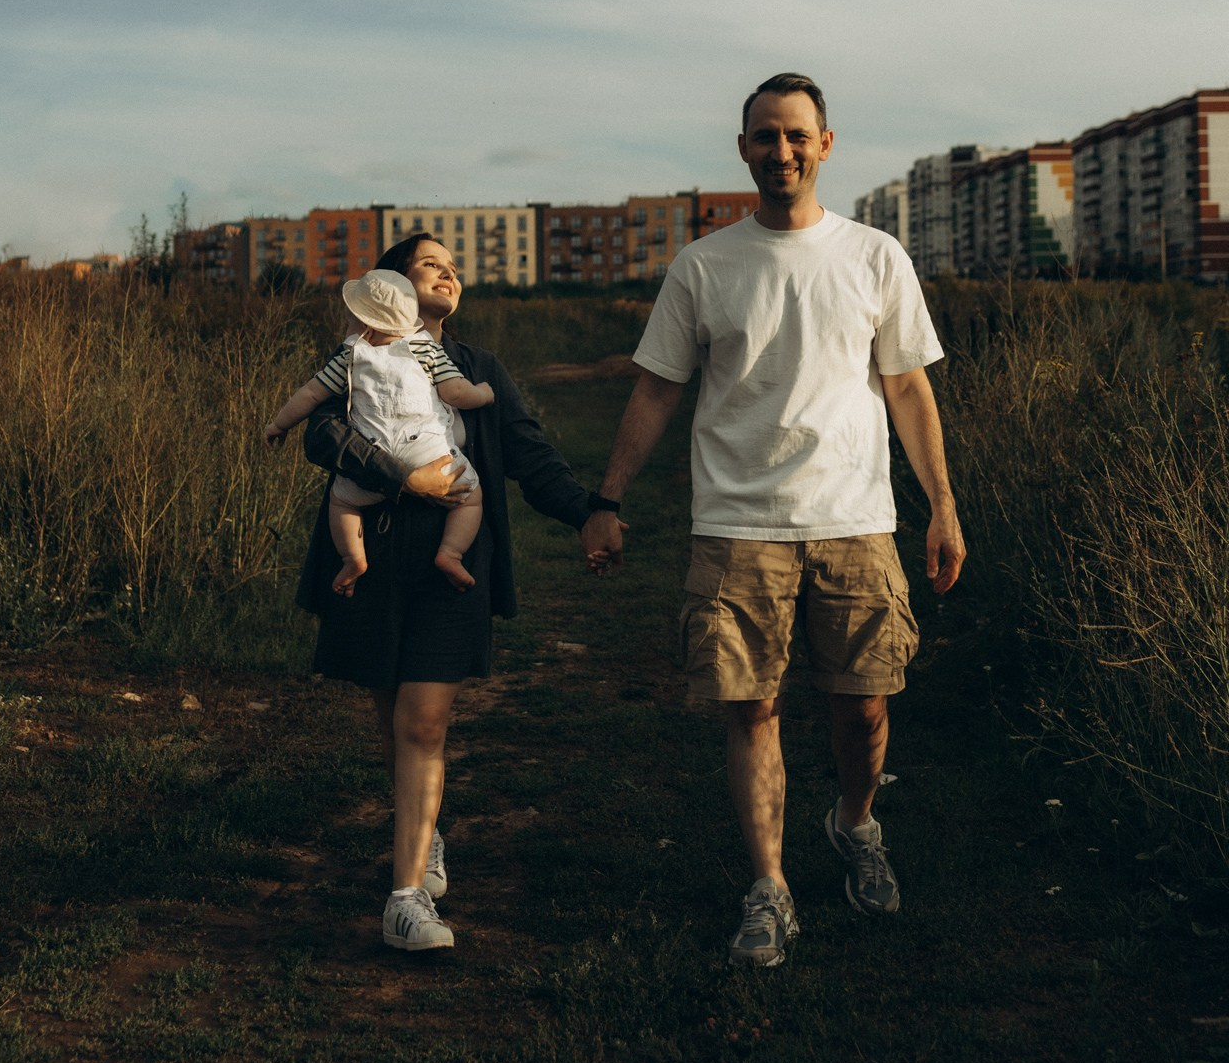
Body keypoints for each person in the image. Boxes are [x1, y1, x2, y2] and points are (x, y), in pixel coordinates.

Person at [581, 72, 966, 967]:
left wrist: (941, 506)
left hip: (857, 522)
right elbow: (657, 388)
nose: (780, 151)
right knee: (749, 710)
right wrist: (607, 500)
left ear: (825, 145)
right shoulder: (705, 265)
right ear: (744, 148)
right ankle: (771, 890)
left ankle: (854, 823)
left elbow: (909, 388)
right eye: (764, 136)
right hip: (737, 528)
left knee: (863, 709)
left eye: (796, 135)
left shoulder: (875, 257)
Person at [294, 234, 604, 954]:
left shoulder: (477, 370)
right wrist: (404, 475)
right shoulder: (359, 355)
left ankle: (403, 901)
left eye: (454, 268)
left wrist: (590, 509)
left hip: (448, 563)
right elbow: (319, 434)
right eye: (432, 264)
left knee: (424, 722)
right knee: (392, 715)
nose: (448, 274)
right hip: (368, 558)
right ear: (392, 284)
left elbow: (528, 452)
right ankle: (423, 830)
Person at [264, 267, 493, 595]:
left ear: (365, 321)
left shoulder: (351, 355)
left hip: (373, 456)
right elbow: (456, 393)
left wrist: (278, 424)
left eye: (350, 315)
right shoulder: (424, 346)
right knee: (470, 500)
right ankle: (451, 553)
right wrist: (485, 393)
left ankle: (353, 558)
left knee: (341, 502)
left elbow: (311, 394)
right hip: (428, 452)